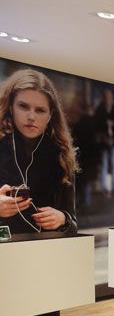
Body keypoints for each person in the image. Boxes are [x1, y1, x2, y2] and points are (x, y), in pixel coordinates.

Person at [0, 69, 79, 234]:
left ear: (50, 115)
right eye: (23, 106)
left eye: (40, 110)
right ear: (11, 107)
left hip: (45, 246)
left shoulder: (62, 154)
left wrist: (62, 219)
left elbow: (73, 224)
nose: (31, 117)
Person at [94, 88, 114, 196]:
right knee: (104, 165)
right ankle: (104, 187)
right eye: (106, 97)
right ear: (103, 98)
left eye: (110, 97)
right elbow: (96, 125)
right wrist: (104, 127)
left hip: (113, 142)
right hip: (103, 142)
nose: (108, 99)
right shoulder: (99, 109)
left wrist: (113, 125)